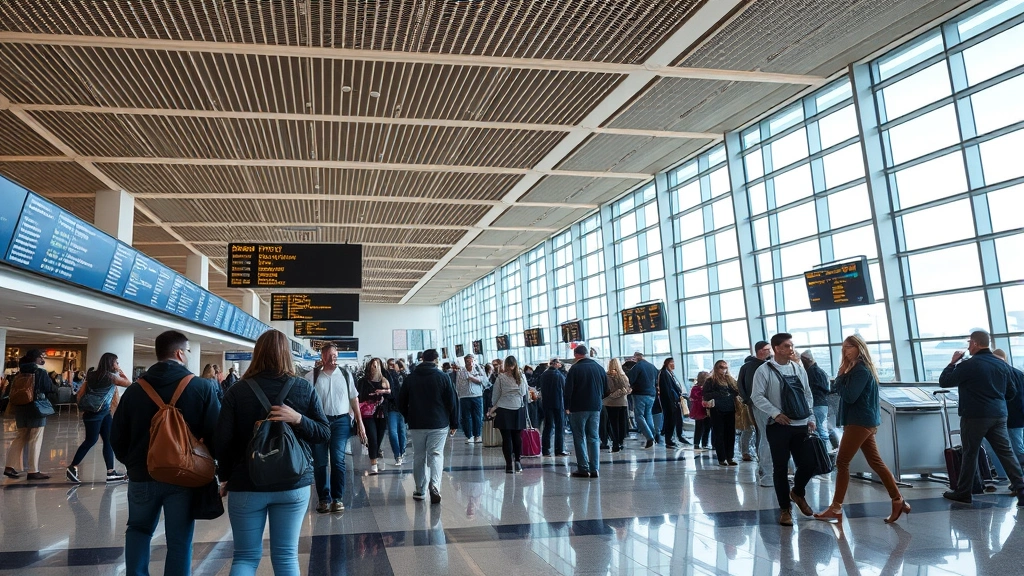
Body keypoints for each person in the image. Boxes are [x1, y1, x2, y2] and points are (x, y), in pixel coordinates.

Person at [215, 330, 330, 575]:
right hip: (293, 482)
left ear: (257, 354)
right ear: (287, 354)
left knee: (245, 557)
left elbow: (222, 442)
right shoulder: (302, 388)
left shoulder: (236, 391)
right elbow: (323, 433)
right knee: (287, 556)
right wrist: (299, 419)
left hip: (246, 483)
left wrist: (224, 477)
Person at [111, 330, 221, 576]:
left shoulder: (135, 390)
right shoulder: (201, 387)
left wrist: (133, 463)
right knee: (180, 538)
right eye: (189, 350)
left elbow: (116, 436)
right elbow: (216, 433)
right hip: (184, 476)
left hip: (142, 474)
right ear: (180, 353)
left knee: (138, 529)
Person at [814, 334, 909, 524]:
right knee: (876, 462)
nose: (845, 350)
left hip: (860, 421)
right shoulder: (856, 369)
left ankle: (836, 507)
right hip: (860, 421)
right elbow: (841, 392)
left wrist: (840, 376)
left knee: (842, 462)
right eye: (844, 347)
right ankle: (898, 500)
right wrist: (842, 376)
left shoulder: (861, 371)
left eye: (850, 347)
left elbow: (849, 396)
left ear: (859, 348)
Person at [939, 330, 1024, 506]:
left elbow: (945, 381)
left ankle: (964, 492)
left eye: (970, 342)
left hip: (975, 416)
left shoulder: (969, 365)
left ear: (976, 343)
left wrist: (952, 363)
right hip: (999, 415)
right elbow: (1011, 392)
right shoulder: (1002, 365)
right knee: (1006, 453)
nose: (968, 346)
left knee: (970, 452)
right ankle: (1022, 489)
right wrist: (996, 401)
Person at [750, 332, 817, 526]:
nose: (791, 349)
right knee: (780, 468)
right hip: (778, 426)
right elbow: (757, 396)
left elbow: (807, 394)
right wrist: (775, 413)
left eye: (791, 345)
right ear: (777, 348)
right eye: (787, 346)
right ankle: (785, 509)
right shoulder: (764, 370)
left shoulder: (798, 368)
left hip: (800, 424)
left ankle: (797, 492)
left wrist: (810, 416)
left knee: (808, 464)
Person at [306, 343, 367, 514]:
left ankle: (337, 498)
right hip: (319, 422)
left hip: (341, 422)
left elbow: (354, 400)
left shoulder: (346, 375)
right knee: (320, 462)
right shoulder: (312, 377)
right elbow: (306, 401)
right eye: (330, 354)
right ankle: (324, 499)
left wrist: (360, 423)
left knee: (338, 460)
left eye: (336, 354)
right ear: (323, 357)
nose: (334, 357)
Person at [397, 348, 458, 504]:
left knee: (419, 456)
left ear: (422, 358)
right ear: (436, 360)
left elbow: (401, 401)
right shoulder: (443, 377)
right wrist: (454, 422)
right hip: (439, 423)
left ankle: (419, 489)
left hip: (417, 423)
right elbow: (452, 401)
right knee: (436, 454)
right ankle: (435, 485)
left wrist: (408, 416)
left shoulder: (411, 378)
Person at [66, 352, 128, 484]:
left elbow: (81, 393)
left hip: (99, 412)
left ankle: (110, 472)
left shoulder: (92, 375)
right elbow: (129, 383)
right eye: (116, 362)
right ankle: (72, 466)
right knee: (90, 440)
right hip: (98, 412)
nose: (117, 365)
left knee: (108, 440)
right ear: (111, 363)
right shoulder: (111, 377)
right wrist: (120, 371)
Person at [3, 349, 55, 480]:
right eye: (41, 356)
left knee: (20, 437)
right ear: (36, 358)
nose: (43, 359)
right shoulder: (40, 372)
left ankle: (9, 466)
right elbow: (49, 388)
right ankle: (33, 470)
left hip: (20, 408)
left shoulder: (19, 373)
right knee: (35, 438)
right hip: (36, 408)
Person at [565, 345, 607, 478]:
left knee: (579, 437)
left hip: (578, 407)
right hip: (595, 407)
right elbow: (606, 389)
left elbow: (568, 390)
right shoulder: (599, 368)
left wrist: (567, 406)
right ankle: (595, 469)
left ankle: (583, 468)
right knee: (594, 437)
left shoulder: (575, 368)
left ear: (576, 354)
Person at [738, 341, 772, 486]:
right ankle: (765, 467)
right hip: (759, 405)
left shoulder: (769, 365)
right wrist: (749, 401)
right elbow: (741, 385)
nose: (770, 352)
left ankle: (767, 466)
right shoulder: (751, 367)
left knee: (765, 434)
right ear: (760, 351)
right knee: (763, 434)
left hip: (765, 404)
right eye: (767, 349)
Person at [488, 356, 528, 474]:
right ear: (516, 364)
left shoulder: (500, 377)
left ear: (505, 365)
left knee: (506, 439)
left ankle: (509, 465)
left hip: (503, 409)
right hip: (517, 409)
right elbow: (523, 392)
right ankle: (518, 462)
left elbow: (495, 394)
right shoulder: (521, 376)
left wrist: (494, 406)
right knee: (517, 437)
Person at [357, 358, 391, 475]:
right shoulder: (363, 381)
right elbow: (359, 397)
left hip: (381, 413)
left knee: (379, 437)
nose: (375, 368)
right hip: (368, 413)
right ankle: (374, 463)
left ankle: (375, 453)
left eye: (377, 365)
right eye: (373, 365)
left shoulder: (385, 380)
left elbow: (391, 396)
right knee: (373, 437)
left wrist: (383, 392)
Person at [704, 360, 740, 465]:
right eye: (721, 367)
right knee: (719, 434)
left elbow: (736, 390)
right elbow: (706, 395)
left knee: (730, 434)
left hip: (729, 408)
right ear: (716, 368)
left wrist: (729, 394)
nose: (723, 370)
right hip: (717, 410)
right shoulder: (710, 380)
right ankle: (722, 458)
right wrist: (720, 394)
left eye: (725, 367)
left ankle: (730, 457)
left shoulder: (730, 379)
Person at [993, 349, 1024, 468]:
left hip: (1011, 416)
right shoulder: (1018, 373)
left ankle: (1019, 477)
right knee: (1019, 445)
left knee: (1016, 448)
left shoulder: (1001, 374)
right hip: (1020, 414)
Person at [627, 351, 659, 449]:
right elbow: (658, 379)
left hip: (640, 394)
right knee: (648, 414)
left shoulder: (637, 367)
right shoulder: (652, 367)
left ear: (636, 358)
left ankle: (649, 438)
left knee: (639, 416)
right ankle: (654, 435)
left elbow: (630, 379)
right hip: (652, 394)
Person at [455, 354, 487, 444]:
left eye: (471, 361)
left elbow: (484, 380)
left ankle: (477, 435)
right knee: (466, 417)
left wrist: (473, 378)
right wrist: (459, 394)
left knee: (477, 416)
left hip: (477, 395)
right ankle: (469, 435)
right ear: (465, 361)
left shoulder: (478, 369)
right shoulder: (461, 371)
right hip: (464, 396)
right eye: (467, 361)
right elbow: (458, 383)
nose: (469, 363)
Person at [801, 350, 831, 444]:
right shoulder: (821, 371)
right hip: (822, 403)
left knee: (819, 429)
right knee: (820, 429)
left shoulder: (812, 372)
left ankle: (824, 453)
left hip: (816, 404)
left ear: (807, 359)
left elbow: (810, 390)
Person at [540, 358, 569, 457]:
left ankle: (545, 450)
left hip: (546, 404)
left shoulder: (543, 375)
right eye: (559, 363)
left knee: (548, 426)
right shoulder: (559, 375)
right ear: (555, 364)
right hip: (558, 404)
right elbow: (565, 389)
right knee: (559, 426)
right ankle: (559, 449)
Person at [604, 359, 631, 453]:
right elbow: (628, 389)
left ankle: (615, 444)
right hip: (623, 402)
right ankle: (621, 442)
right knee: (622, 423)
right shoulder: (624, 376)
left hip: (611, 403)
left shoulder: (608, 376)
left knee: (613, 424)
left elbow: (608, 389)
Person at [385, 358, 407, 466]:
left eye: (394, 365)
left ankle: (402, 452)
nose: (392, 367)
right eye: (390, 365)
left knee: (402, 432)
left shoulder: (404, 376)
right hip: (391, 408)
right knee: (393, 433)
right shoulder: (387, 376)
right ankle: (397, 454)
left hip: (402, 408)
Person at [658, 358, 682, 449]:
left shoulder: (670, 373)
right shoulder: (664, 373)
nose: (673, 364)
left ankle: (672, 438)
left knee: (674, 420)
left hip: (673, 401)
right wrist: (671, 401)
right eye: (672, 362)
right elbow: (666, 389)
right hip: (669, 402)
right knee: (670, 420)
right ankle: (668, 440)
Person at [689, 371, 711, 451]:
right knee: (706, 427)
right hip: (704, 409)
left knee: (699, 427)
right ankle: (703, 443)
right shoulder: (704, 388)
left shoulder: (694, 388)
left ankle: (697, 443)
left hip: (698, 410)